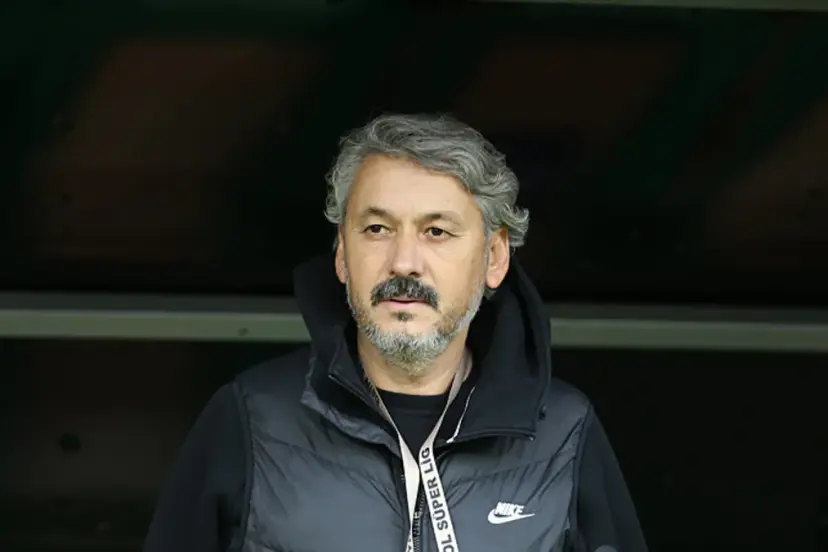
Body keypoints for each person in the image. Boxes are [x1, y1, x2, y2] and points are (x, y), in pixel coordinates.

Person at [143, 113, 648, 552]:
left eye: (436, 232)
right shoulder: (251, 418)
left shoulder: (564, 433)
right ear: (342, 254)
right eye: (377, 230)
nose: (404, 262)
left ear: (494, 257)